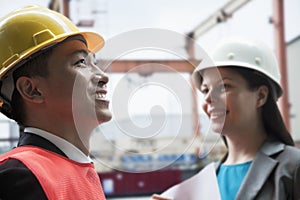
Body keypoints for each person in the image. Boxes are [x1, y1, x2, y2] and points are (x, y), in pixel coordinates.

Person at [152, 39, 300, 200]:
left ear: (261, 96)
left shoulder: (293, 167)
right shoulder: (206, 181)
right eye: (205, 90)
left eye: (223, 87)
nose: (208, 98)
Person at [0, 5, 111, 199]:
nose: (103, 76)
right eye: (81, 62)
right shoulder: (18, 177)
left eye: (95, 63)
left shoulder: (77, 168)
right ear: (32, 90)